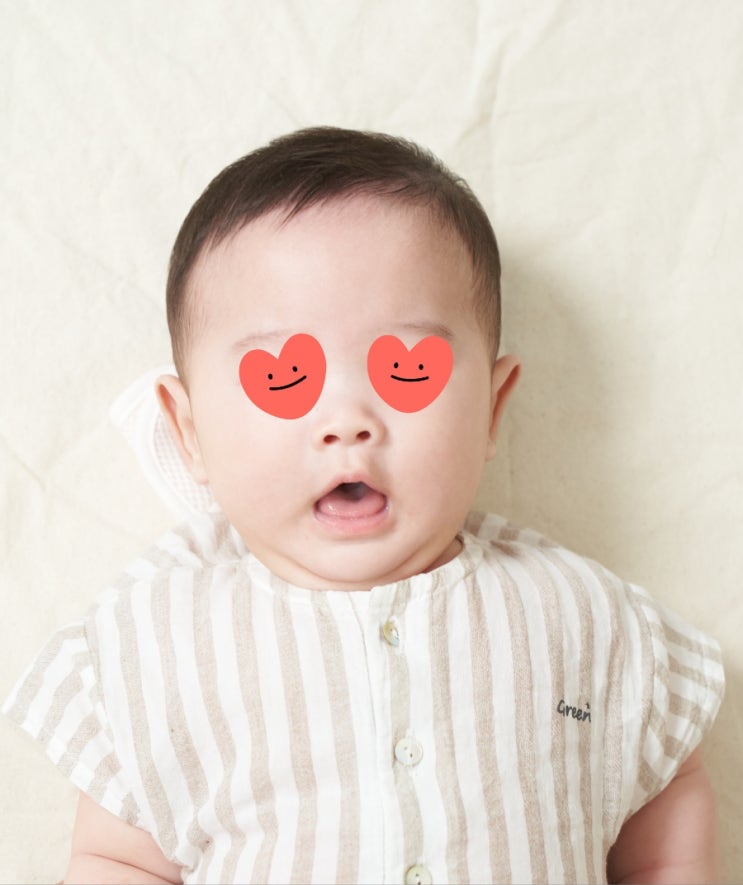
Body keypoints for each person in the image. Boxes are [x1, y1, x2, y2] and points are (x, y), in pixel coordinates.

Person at [4, 127, 724, 884]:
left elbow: (665, 795)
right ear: (189, 430)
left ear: (490, 407)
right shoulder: (158, 641)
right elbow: (118, 857)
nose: (347, 420)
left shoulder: (580, 614)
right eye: (284, 379)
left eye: (405, 371)